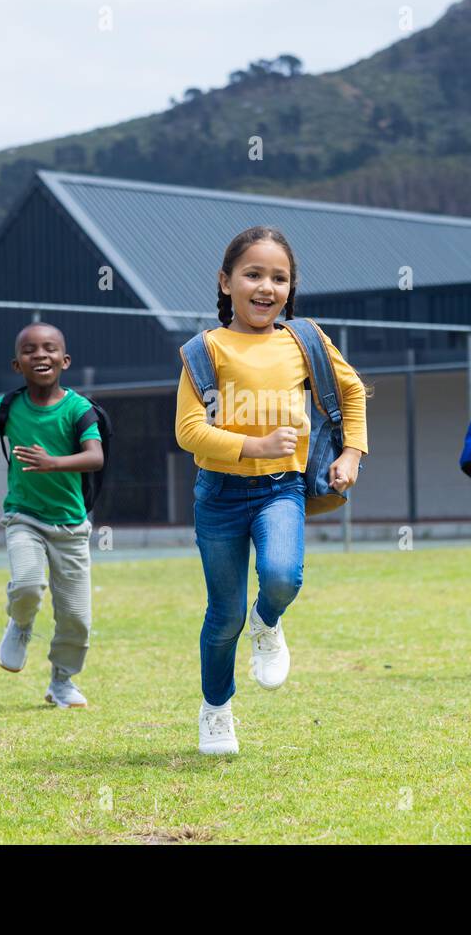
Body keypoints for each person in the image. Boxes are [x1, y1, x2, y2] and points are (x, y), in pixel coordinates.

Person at [175, 226, 368, 755]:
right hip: (218, 495)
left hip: (281, 489)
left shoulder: (303, 340)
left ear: (290, 288)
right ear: (225, 281)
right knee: (223, 615)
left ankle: (269, 621)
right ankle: (216, 709)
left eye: (279, 278)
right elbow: (189, 431)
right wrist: (253, 446)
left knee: (282, 576)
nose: (266, 287)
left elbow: (351, 391)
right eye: (253, 274)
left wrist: (351, 453)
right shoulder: (203, 349)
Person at [0, 322, 104, 708]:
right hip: (24, 518)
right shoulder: (7, 407)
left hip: (71, 527)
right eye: (30, 350)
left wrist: (53, 462)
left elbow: (95, 456)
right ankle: (20, 624)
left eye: (50, 348)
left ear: (65, 360)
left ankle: (62, 682)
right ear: (17, 364)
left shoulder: (78, 409)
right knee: (27, 585)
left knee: (76, 618)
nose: (40, 355)